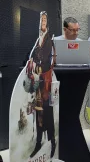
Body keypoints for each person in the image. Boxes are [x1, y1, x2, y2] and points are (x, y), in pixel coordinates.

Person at [28, 11, 56, 158]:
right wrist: (32, 60)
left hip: (46, 83)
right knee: (38, 112)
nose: (43, 23)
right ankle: (38, 142)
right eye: (41, 20)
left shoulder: (49, 39)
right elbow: (32, 56)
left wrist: (35, 59)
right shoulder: (39, 39)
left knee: (48, 113)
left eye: (45, 20)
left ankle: (52, 142)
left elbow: (43, 58)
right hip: (39, 83)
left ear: (48, 23)